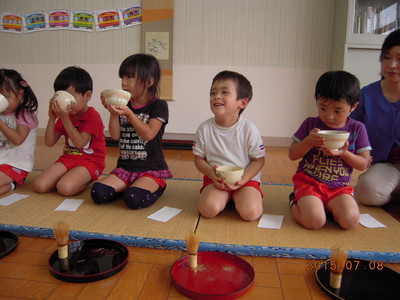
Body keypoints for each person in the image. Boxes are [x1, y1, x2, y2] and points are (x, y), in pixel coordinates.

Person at [288, 71, 371, 230]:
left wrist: (344, 153)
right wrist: (308, 142)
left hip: (339, 187)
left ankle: (325, 207)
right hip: (309, 183)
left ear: (353, 106)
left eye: (338, 111)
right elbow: (292, 154)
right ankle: (294, 200)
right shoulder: (310, 124)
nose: (329, 116)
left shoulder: (357, 129)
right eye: (323, 108)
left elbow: (363, 164)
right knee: (315, 221)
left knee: (350, 220)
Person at [90, 53, 172, 209]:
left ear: (148, 82)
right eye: (122, 78)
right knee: (98, 193)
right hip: (125, 168)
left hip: (151, 169)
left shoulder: (159, 105)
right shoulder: (125, 103)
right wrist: (113, 113)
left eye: (129, 77)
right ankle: (129, 186)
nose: (124, 83)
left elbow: (148, 134)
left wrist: (129, 114)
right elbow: (115, 136)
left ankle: (158, 186)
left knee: (134, 199)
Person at [192, 70, 265, 221]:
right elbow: (199, 159)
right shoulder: (204, 128)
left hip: (246, 180)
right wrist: (210, 173)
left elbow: (259, 160)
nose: (217, 96)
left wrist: (244, 179)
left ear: (242, 103)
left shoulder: (249, 129)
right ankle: (225, 198)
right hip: (216, 180)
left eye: (225, 92)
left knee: (251, 213)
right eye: (213, 92)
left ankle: (239, 197)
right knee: (207, 209)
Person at [33, 66, 105, 197]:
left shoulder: (93, 116)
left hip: (90, 162)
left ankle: (86, 179)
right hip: (68, 158)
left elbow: (80, 143)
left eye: (72, 97)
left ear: (87, 95)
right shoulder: (65, 115)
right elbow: (49, 142)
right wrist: (52, 118)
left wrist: (64, 118)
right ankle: (71, 177)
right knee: (40, 185)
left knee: (65, 188)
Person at [351, 29, 400, 206]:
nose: (392, 65)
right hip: (386, 166)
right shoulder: (367, 95)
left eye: (399, 59)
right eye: (387, 57)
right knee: (368, 191)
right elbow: (351, 130)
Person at [0, 69, 38, 196]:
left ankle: (15, 180)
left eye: (5, 96)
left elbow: (17, 140)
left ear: (20, 94)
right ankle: (11, 185)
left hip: (16, 164)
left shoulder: (25, 114)